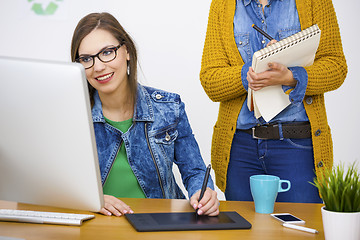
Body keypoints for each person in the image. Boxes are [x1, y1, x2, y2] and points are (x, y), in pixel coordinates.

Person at [71, 12, 219, 216]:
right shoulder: (72, 116)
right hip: (97, 226)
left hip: (159, 225)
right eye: (86, 58)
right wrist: (91, 200)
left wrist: (204, 193)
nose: (98, 67)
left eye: (107, 52)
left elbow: (195, 172)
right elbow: (53, 181)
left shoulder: (169, 108)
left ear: (127, 51)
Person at [200, 0, 347, 203]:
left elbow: (336, 67)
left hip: (297, 147)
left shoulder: (315, 2)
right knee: (244, 232)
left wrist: (291, 77)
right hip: (241, 147)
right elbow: (211, 80)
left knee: (299, 231)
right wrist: (250, 73)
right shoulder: (222, 5)